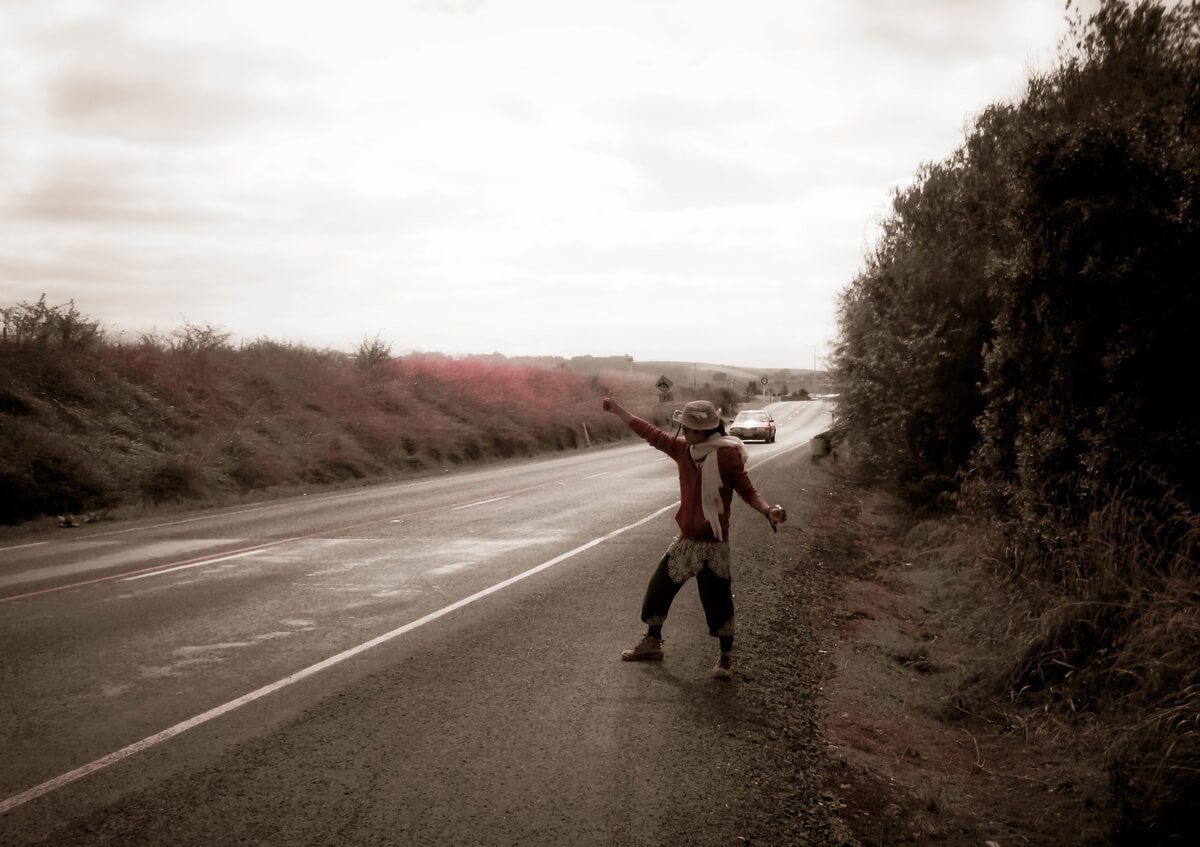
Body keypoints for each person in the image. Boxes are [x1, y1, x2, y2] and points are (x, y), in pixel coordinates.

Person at [601, 395, 787, 680]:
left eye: (688, 429)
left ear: (705, 432)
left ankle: (725, 658)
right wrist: (617, 410)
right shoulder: (683, 450)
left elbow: (747, 491)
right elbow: (649, 432)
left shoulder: (727, 455)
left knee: (718, 603)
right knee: (658, 591)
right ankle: (652, 642)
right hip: (687, 541)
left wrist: (768, 511)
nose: (683, 433)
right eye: (683, 428)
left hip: (714, 545)